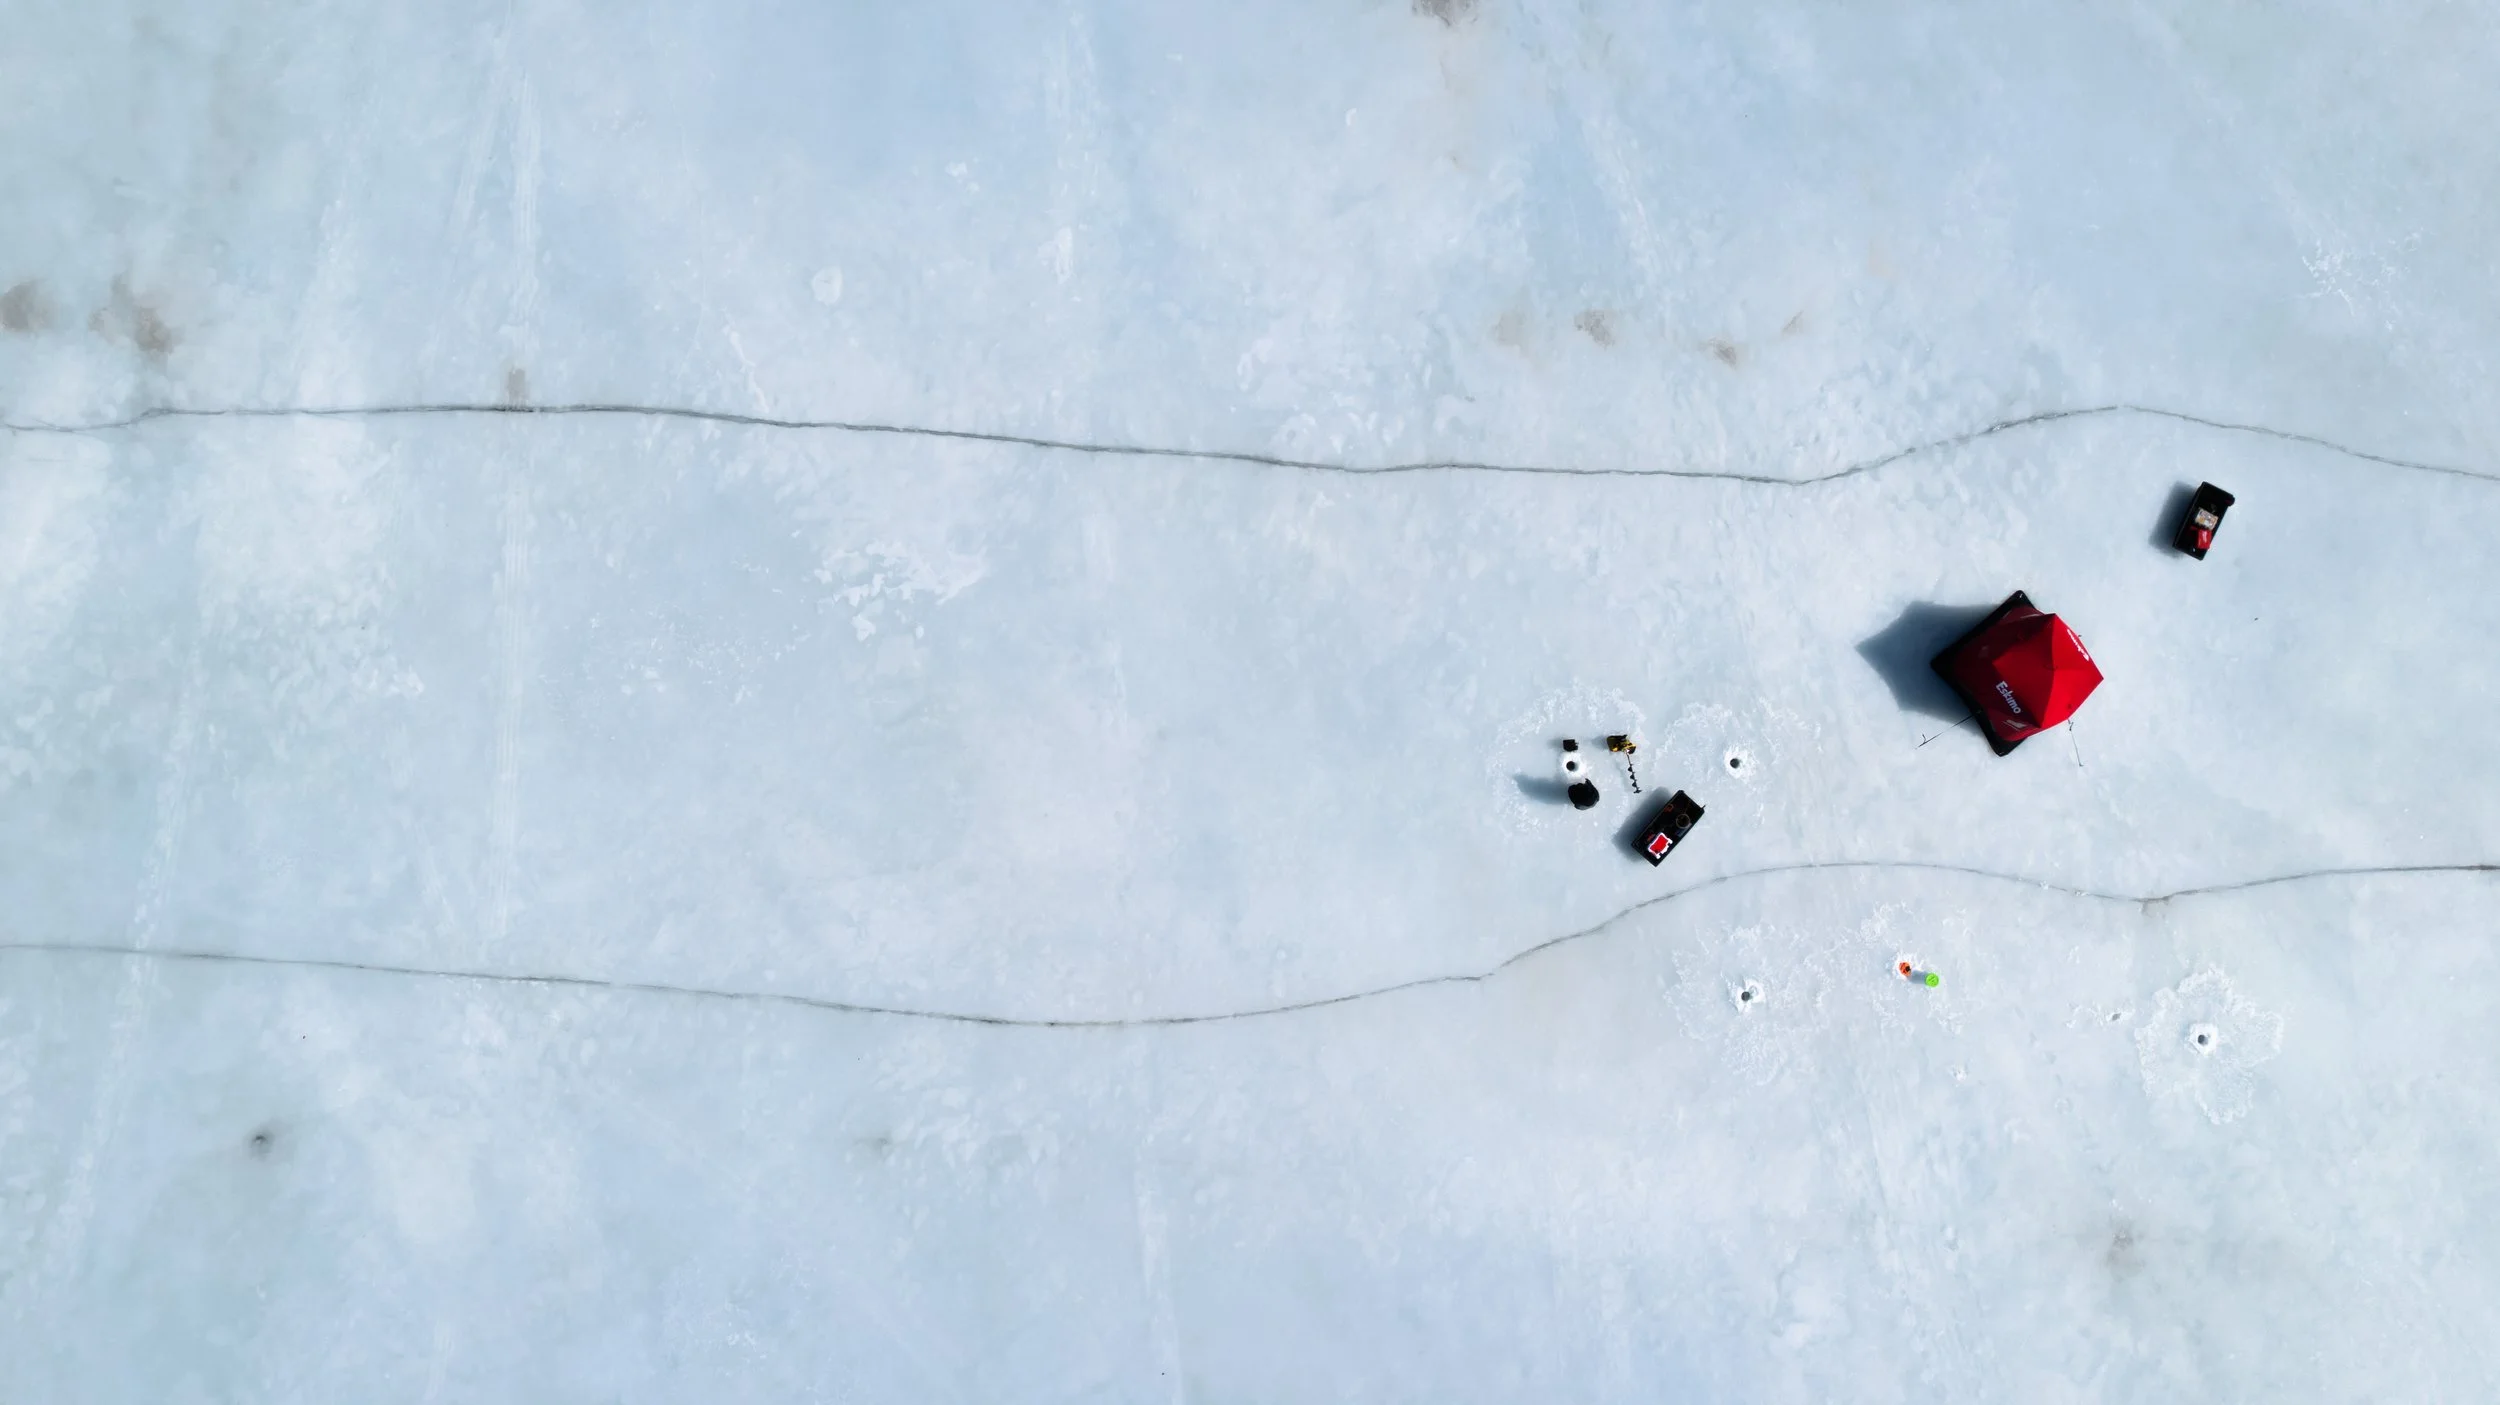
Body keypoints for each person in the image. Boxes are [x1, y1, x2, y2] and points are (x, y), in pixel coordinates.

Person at [1560, 740, 1601, 809]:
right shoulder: (1594, 795)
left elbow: (1571, 789)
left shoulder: (1578, 798)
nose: (1581, 784)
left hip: (1582, 798)